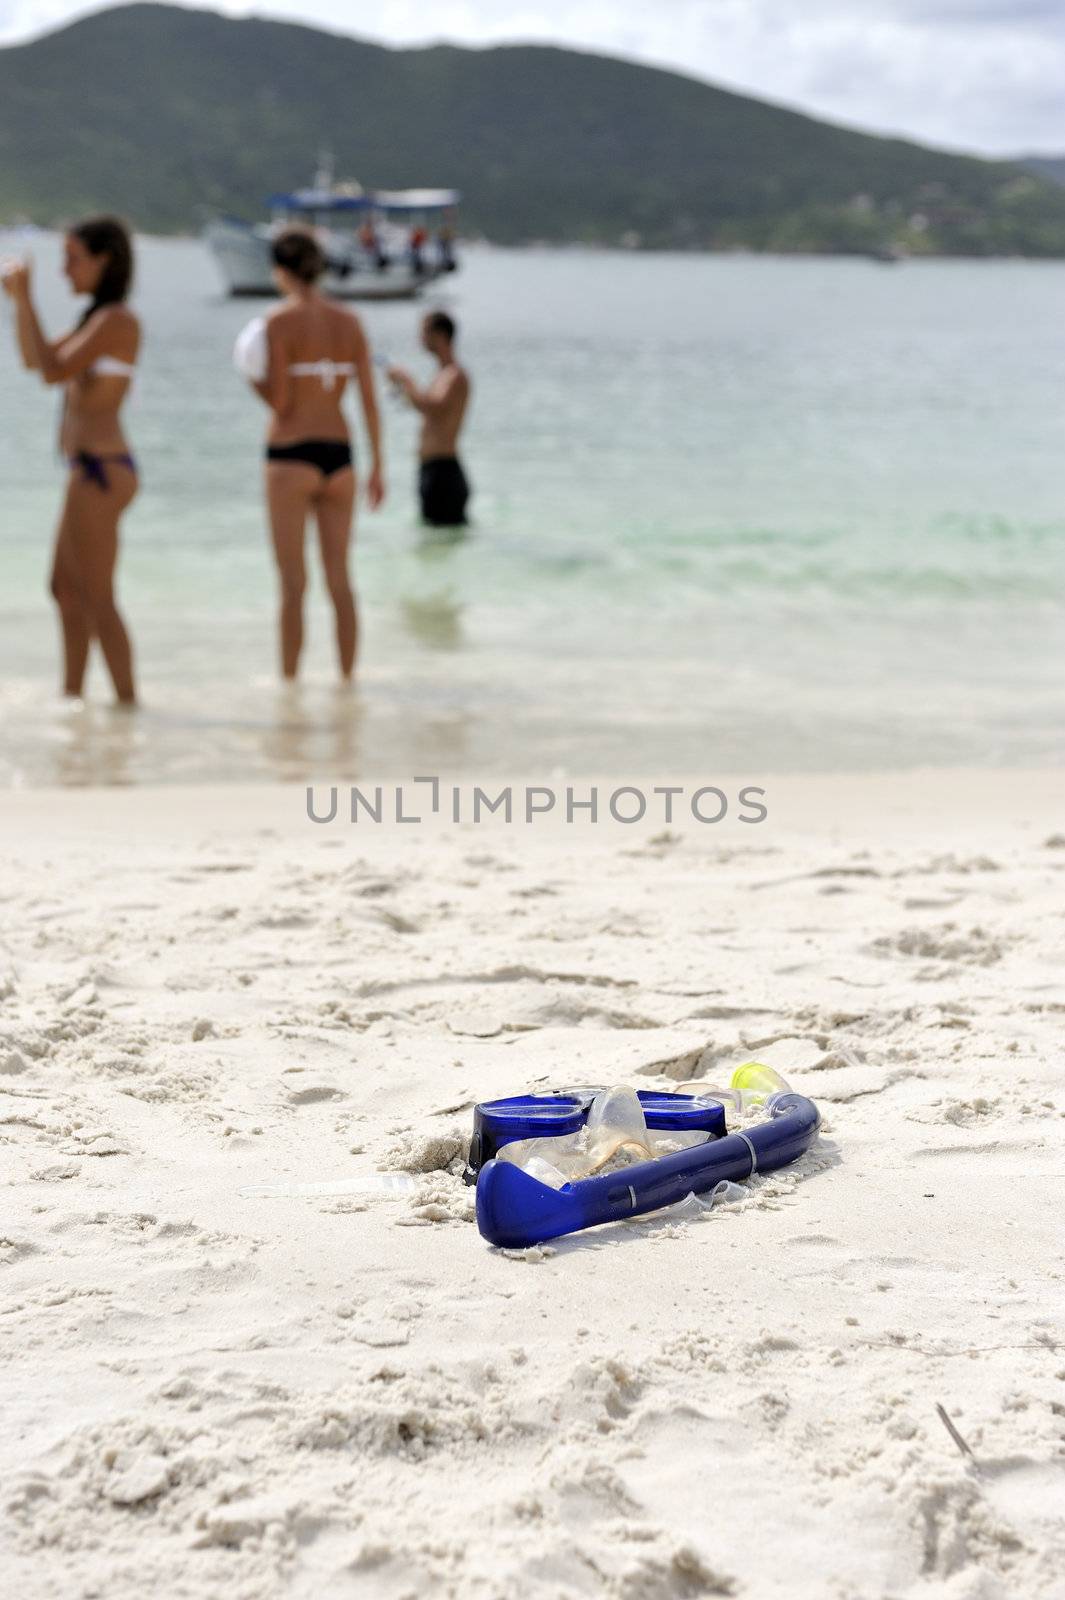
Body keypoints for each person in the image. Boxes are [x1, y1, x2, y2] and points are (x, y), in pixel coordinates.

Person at [1, 217, 140, 704]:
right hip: (86, 469)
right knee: (64, 589)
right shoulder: (92, 319)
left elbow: (52, 371)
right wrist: (19, 301)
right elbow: (32, 359)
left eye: (72, 258)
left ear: (104, 260)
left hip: (102, 469)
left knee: (99, 597)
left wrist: (27, 298)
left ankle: (127, 705)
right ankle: (73, 701)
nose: (65, 271)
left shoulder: (117, 321)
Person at [235, 228, 385, 681]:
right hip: (341, 455)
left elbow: (282, 401)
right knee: (340, 580)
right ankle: (347, 683)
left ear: (281, 271)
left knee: (293, 585)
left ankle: (290, 687)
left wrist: (251, 380)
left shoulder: (278, 322)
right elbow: (369, 401)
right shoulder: (350, 322)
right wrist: (378, 465)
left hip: (290, 454)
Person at [388, 311, 471, 528]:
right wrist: (401, 387)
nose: (420, 340)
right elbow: (425, 407)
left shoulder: (455, 375)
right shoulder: (442, 374)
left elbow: (433, 408)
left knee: (443, 542)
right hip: (432, 470)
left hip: (444, 472)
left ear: (440, 335)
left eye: (424, 333)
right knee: (433, 544)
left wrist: (407, 381)